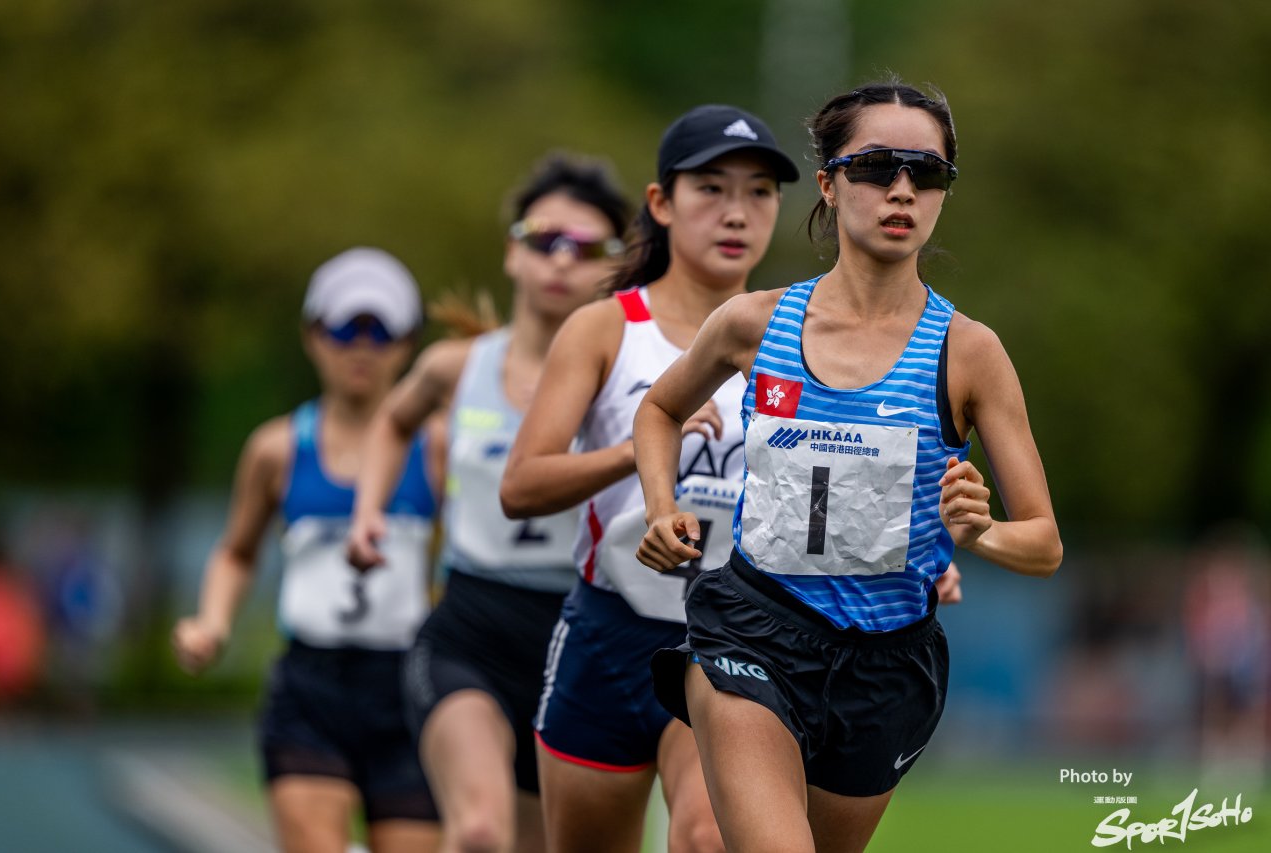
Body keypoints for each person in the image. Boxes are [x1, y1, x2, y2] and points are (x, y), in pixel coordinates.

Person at [634, 79, 1063, 853]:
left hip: (887, 664)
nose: (902, 189)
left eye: (926, 173)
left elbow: (1043, 540)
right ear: (830, 185)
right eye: (875, 167)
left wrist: (980, 533)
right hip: (754, 628)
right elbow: (659, 410)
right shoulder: (751, 323)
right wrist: (661, 504)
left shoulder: (969, 352)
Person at [499, 105, 799, 853]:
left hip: (735, 639)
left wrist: (919, 555)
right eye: (712, 189)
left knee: (705, 836)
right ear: (661, 203)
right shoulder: (605, 328)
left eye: (760, 191)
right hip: (610, 631)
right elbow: (522, 485)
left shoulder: (801, 339)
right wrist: (643, 445)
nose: (737, 212)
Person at [347, 155, 629, 853]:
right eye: (544, 239)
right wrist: (369, 509)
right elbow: (391, 421)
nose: (561, 261)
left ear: (615, 267)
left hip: (577, 641)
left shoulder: (629, 383)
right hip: (470, 628)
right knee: (477, 831)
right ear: (512, 251)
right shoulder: (457, 366)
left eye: (586, 247)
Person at [173, 248, 441, 853]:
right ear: (312, 336)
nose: (361, 348)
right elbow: (237, 552)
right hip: (311, 685)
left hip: (409, 687)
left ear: (410, 343)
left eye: (382, 331)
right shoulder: (277, 449)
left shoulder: (438, 448)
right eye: (345, 328)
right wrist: (212, 624)